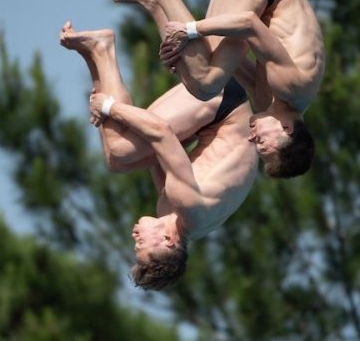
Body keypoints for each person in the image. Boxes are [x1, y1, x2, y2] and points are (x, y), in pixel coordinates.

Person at [59, 21, 258, 290]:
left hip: (214, 120)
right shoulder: (188, 206)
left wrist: (109, 110)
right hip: (225, 104)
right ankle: (101, 49)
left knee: (117, 159)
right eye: (141, 244)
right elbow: (162, 133)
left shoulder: (172, 215)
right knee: (119, 149)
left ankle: (93, 55)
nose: (135, 236)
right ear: (168, 241)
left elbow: (157, 154)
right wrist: (109, 107)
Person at [107, 0, 325, 178]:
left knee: (200, 75)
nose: (251, 138)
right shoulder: (293, 87)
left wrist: (186, 62)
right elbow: (250, 24)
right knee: (206, 83)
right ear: (287, 128)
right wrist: (191, 30)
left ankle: (154, 3)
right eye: (261, 142)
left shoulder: (269, 104)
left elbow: (233, 64)